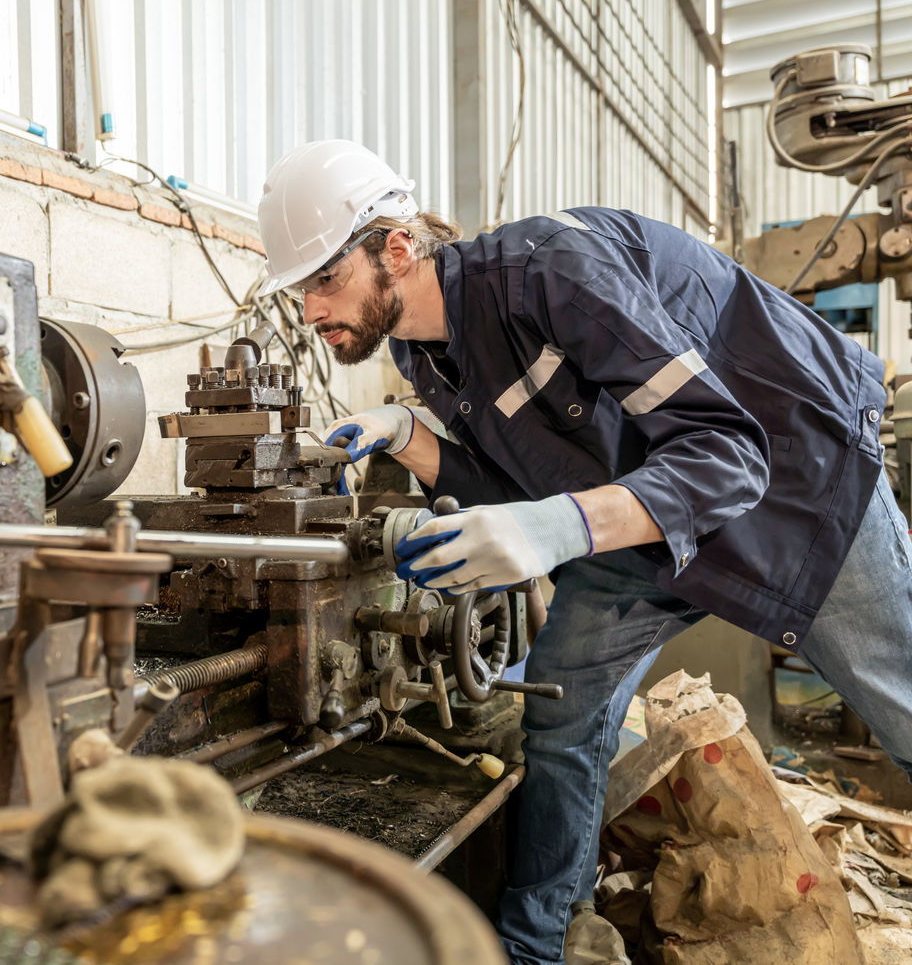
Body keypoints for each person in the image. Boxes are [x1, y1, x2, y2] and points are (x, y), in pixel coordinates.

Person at [253, 140, 912, 965]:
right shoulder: (418, 349)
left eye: (324, 279)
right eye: (300, 288)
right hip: (636, 516)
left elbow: (725, 456)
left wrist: (548, 532)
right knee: (562, 711)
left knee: (904, 704)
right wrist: (411, 439)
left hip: (797, 485)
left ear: (395, 248)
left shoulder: (552, 270)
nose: (311, 311)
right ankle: (535, 946)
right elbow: (515, 491)